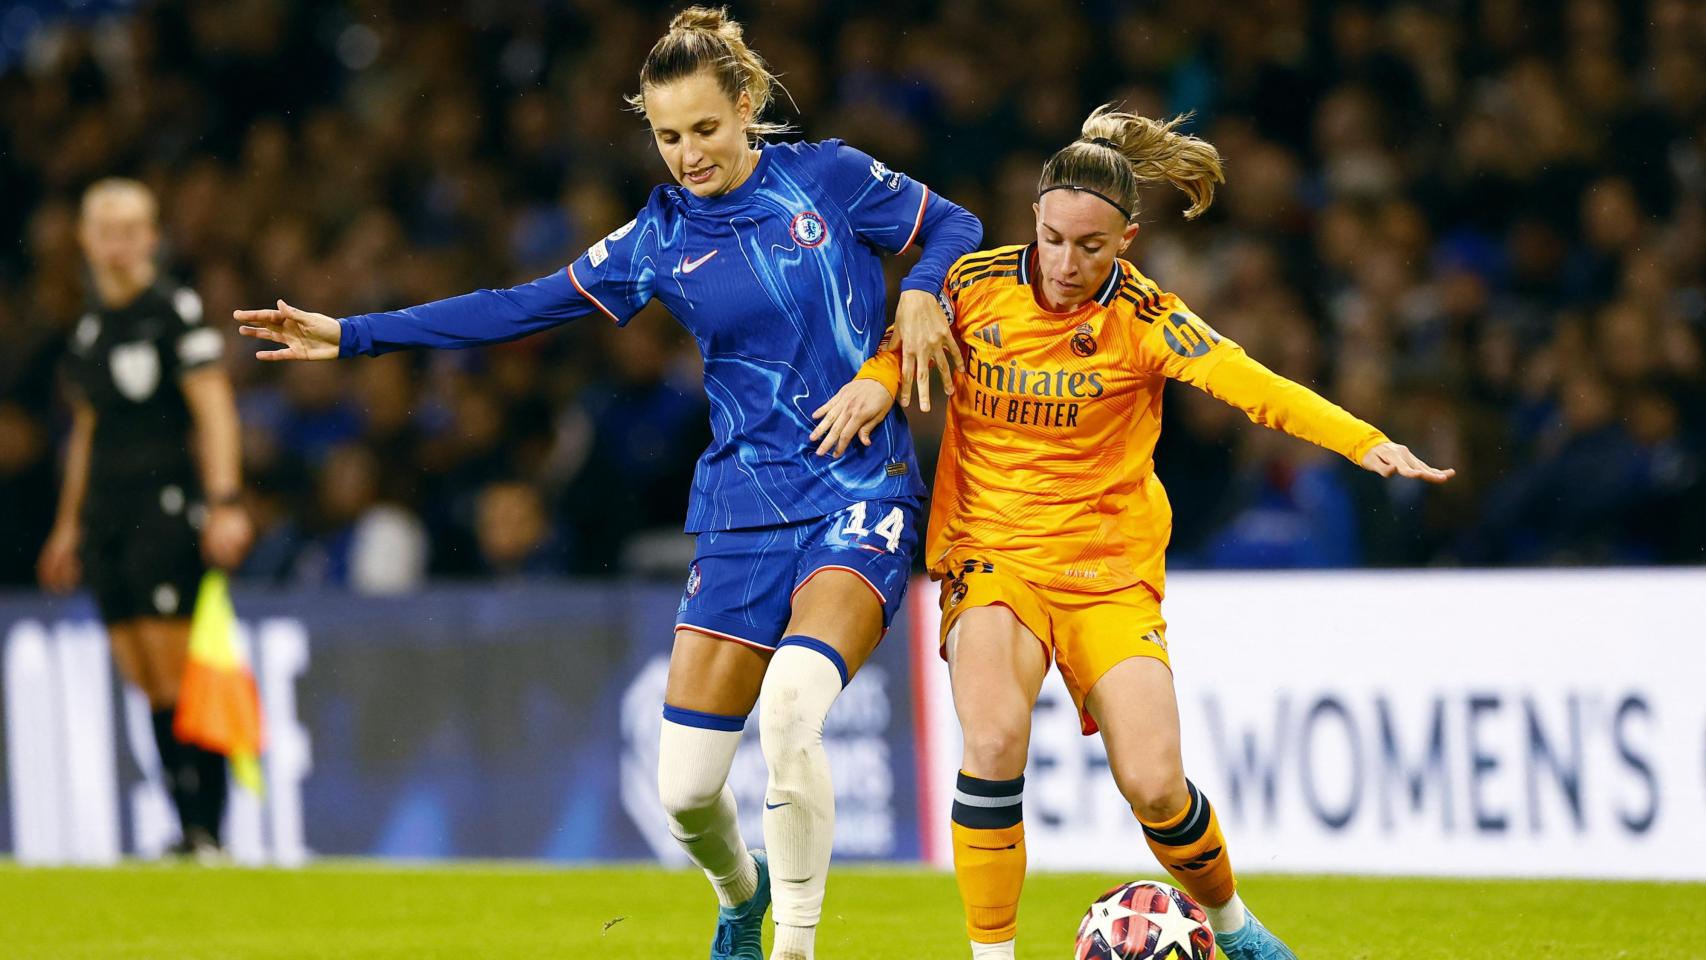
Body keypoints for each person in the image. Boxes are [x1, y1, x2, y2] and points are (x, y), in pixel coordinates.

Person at [232, 8, 980, 959]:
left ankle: (793, 947)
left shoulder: (828, 177)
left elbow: (955, 225)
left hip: (859, 495)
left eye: (705, 129)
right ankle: (741, 899)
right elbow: (516, 307)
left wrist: (922, 290)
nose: (688, 154)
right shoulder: (660, 237)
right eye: (668, 137)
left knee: (793, 713)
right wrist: (353, 335)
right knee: (685, 793)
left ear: (746, 106)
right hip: (742, 513)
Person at [812, 105, 1454, 960]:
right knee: (995, 738)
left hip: (1109, 573)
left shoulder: (1146, 318)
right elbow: (902, 342)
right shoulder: (971, 284)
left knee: (1154, 787)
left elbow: (1252, 384)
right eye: (1052, 239)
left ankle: (1235, 928)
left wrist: (1366, 441)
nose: (1067, 264)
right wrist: (876, 381)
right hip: (990, 553)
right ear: (1032, 219)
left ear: (1129, 241)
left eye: (1093, 247)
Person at [37, 178, 253, 860]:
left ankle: (208, 829)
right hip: (107, 513)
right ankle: (187, 827)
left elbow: (214, 406)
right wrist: (69, 525)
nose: (119, 241)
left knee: (175, 670)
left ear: (152, 238)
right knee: (139, 670)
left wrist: (223, 501)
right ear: (86, 239)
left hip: (163, 507)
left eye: (132, 228)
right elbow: (88, 431)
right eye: (107, 227)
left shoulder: (172, 310)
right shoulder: (89, 325)